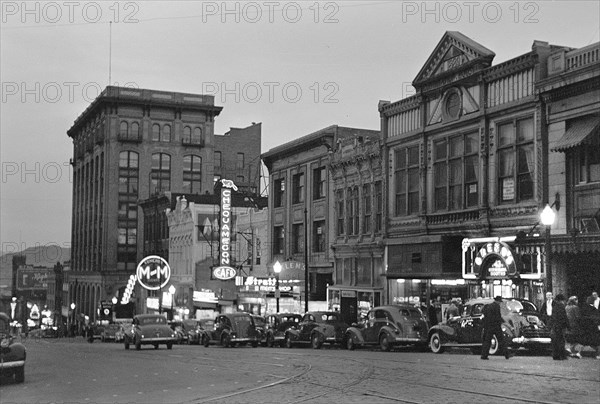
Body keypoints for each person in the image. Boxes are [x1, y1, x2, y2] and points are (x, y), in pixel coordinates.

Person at [580, 295, 600, 360]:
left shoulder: (583, 308)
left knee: (585, 342)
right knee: (595, 342)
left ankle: (580, 353)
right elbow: (597, 318)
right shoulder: (594, 309)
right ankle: (597, 354)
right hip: (593, 328)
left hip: (585, 327)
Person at [550, 294, 569, 360]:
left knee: (555, 341)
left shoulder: (554, 306)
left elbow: (553, 316)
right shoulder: (561, 306)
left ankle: (555, 355)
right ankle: (562, 355)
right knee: (561, 341)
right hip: (560, 326)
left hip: (555, 325)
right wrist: (568, 325)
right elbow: (564, 316)